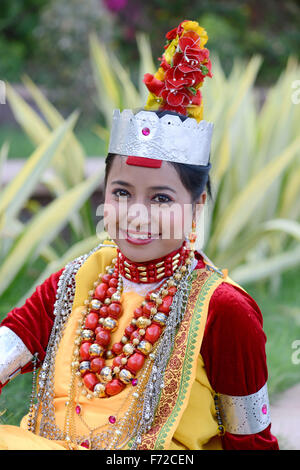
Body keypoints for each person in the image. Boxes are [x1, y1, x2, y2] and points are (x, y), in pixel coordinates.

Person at [0, 20, 279, 451]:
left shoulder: (224, 310)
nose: (136, 214)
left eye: (162, 199)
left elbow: (252, 440)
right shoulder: (76, 280)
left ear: (197, 204)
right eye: (122, 193)